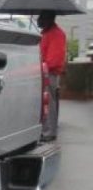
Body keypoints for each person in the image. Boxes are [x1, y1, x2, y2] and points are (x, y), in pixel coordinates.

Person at [36, 10, 67, 141]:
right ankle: (46, 130)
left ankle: (50, 132)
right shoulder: (46, 33)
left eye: (41, 17)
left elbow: (54, 59)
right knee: (46, 103)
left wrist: (43, 66)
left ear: (49, 18)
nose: (38, 20)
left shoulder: (56, 34)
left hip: (49, 73)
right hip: (45, 71)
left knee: (50, 103)